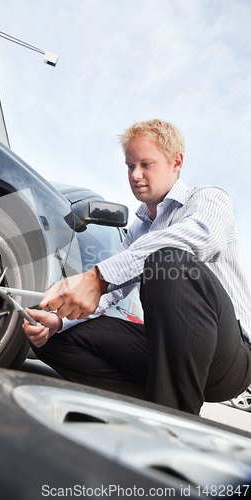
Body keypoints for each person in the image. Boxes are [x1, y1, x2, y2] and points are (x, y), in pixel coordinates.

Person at [22, 119, 251, 415]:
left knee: (168, 260)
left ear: (176, 162)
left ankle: (173, 425)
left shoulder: (208, 198)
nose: (136, 175)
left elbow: (203, 237)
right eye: (130, 166)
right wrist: (60, 320)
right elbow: (113, 294)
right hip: (165, 345)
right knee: (51, 339)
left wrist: (98, 277)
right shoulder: (139, 229)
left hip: (228, 356)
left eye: (146, 164)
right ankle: (149, 405)